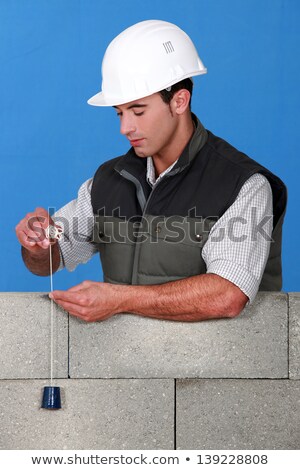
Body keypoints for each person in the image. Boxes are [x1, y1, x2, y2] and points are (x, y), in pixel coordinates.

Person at [15, 20, 287, 323]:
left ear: (179, 101)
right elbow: (51, 260)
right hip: (126, 367)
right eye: (119, 113)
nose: (125, 127)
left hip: (221, 369)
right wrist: (38, 245)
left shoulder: (242, 185)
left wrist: (118, 300)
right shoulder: (108, 181)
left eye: (138, 111)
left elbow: (227, 295)